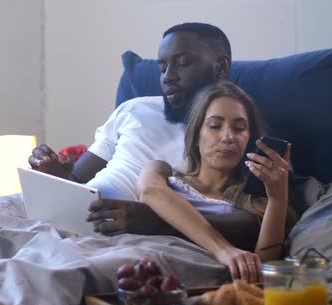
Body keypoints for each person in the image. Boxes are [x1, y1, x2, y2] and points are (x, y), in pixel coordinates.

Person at [29, 22, 232, 236]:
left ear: (220, 67)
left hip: (129, 238)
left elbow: (253, 222)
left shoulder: (232, 137)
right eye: (162, 68)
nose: (168, 77)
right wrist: (55, 177)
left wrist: (160, 222)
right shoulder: (135, 108)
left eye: (182, 63)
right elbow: (77, 182)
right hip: (76, 218)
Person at [137, 80, 297, 282]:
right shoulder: (161, 171)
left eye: (239, 128)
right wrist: (224, 250)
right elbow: (150, 191)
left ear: (249, 139)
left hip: (175, 277)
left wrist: (277, 199)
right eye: (215, 126)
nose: (228, 137)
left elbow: (260, 274)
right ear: (196, 135)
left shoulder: (254, 202)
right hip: (133, 256)